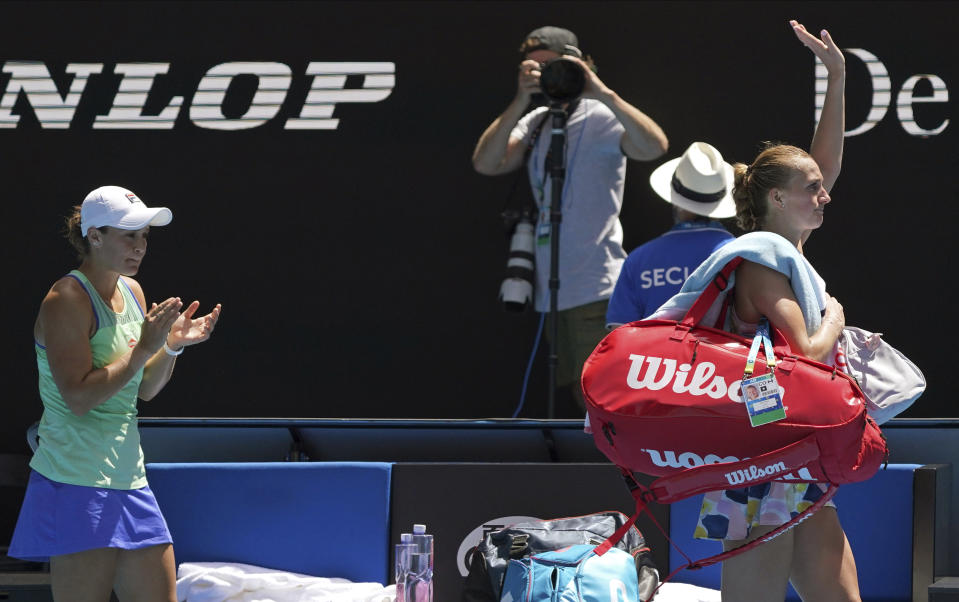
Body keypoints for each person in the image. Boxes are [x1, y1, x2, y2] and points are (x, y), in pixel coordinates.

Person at [693, 21, 854, 601]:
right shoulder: (763, 265)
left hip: (798, 452)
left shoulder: (787, 249)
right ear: (778, 199)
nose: (825, 193)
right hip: (761, 456)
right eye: (812, 187)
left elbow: (826, 160)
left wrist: (835, 75)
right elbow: (808, 354)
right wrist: (835, 317)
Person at [8, 185, 222, 602]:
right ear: (94, 236)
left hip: (129, 477)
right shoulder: (65, 299)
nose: (139, 246)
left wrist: (171, 347)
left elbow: (143, 390)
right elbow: (79, 398)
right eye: (129, 234)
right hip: (74, 479)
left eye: (144, 236)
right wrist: (145, 346)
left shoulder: (133, 291)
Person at [472, 25, 668, 413]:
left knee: (602, 393)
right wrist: (518, 101)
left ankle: (620, 470)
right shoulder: (538, 120)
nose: (545, 75)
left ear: (581, 64)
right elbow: (486, 163)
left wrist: (601, 91)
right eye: (535, 67)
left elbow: (654, 146)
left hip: (595, 285)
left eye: (553, 66)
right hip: (553, 289)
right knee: (581, 394)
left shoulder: (601, 115)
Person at [605, 141, 736, 329]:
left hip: (652, 358)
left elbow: (619, 332)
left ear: (674, 198)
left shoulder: (639, 259)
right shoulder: (739, 255)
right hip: (719, 358)